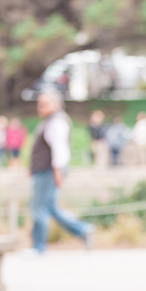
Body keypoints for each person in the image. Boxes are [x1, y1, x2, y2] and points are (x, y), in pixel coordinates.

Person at [27, 88, 94, 256]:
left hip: (48, 170)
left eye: (44, 104)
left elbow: (59, 149)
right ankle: (83, 230)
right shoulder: (52, 120)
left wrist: (57, 171)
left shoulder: (57, 122)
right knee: (50, 207)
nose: (40, 107)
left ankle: (39, 246)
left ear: (56, 104)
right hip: (45, 170)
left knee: (40, 208)